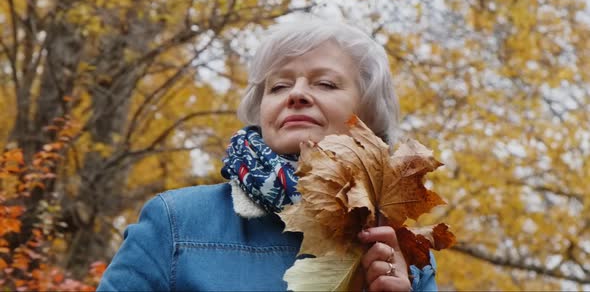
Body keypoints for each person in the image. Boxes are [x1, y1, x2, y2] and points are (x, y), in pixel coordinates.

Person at [97, 17, 437, 291]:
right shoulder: (176, 225)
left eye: (325, 84)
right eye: (279, 86)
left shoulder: (401, 251)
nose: (298, 94)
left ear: (368, 118)